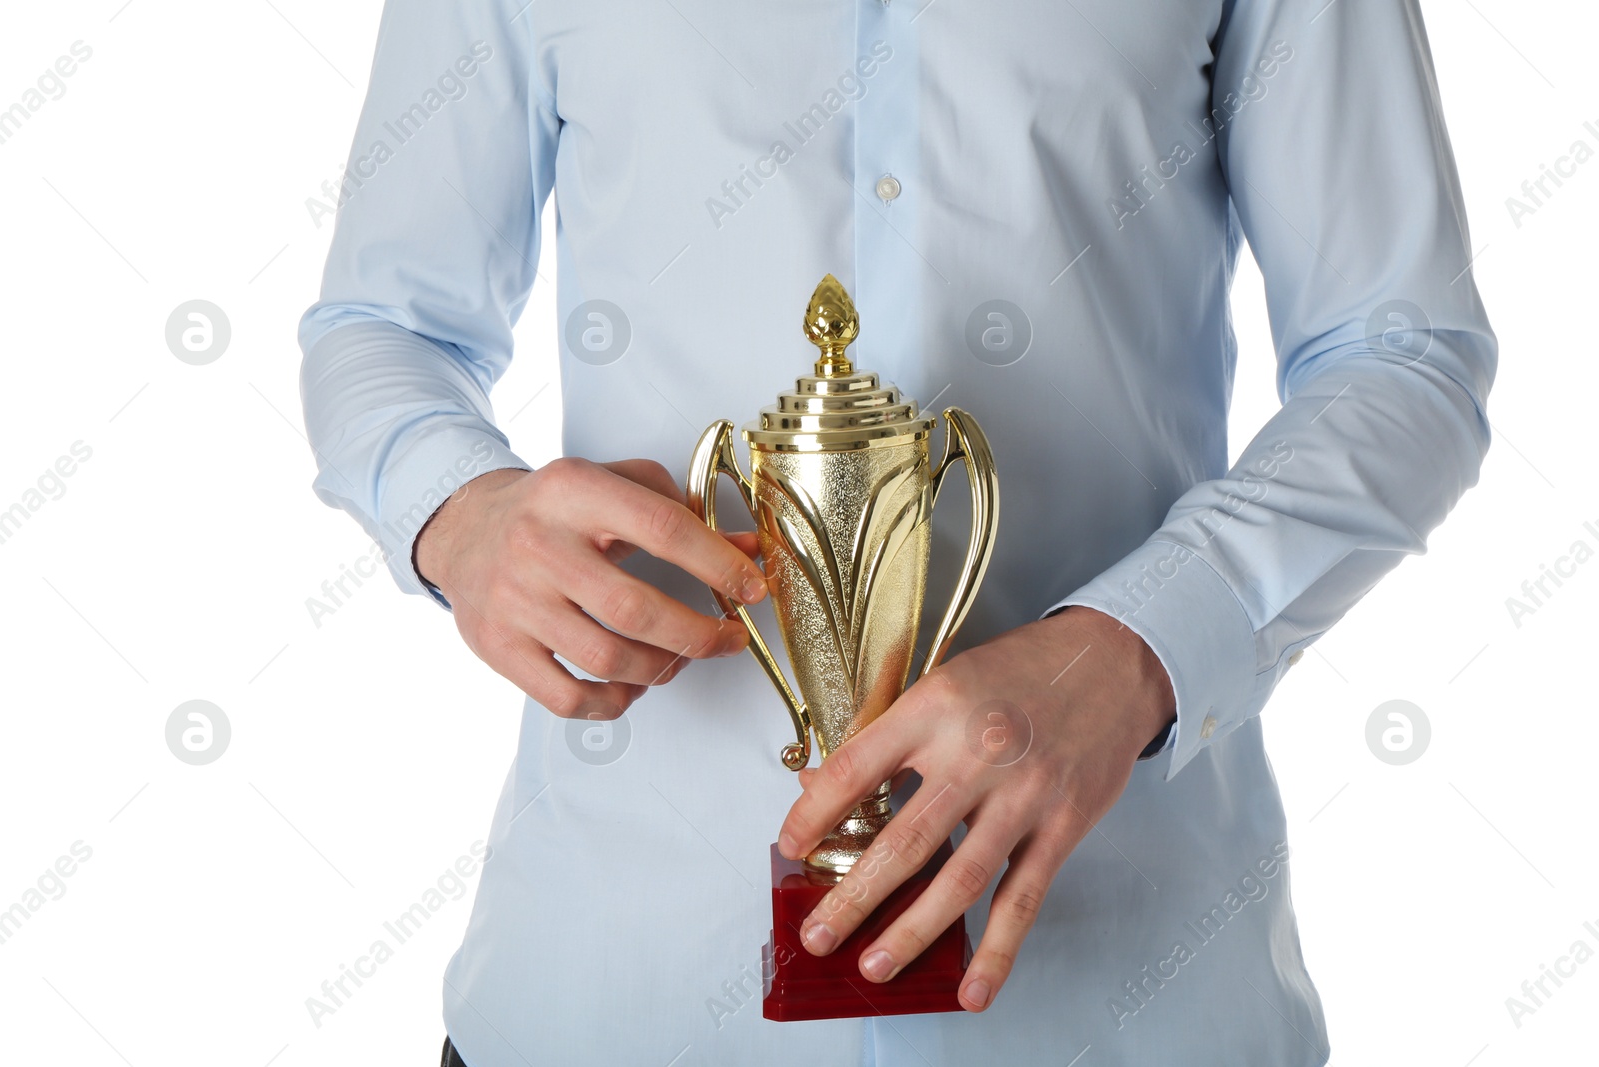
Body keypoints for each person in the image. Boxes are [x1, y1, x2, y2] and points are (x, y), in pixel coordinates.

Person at [298, 0, 1495, 1063]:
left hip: (1133, 990)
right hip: (615, 988)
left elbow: (1401, 353)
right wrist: (457, 509)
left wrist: (1134, 650)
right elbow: (381, 321)